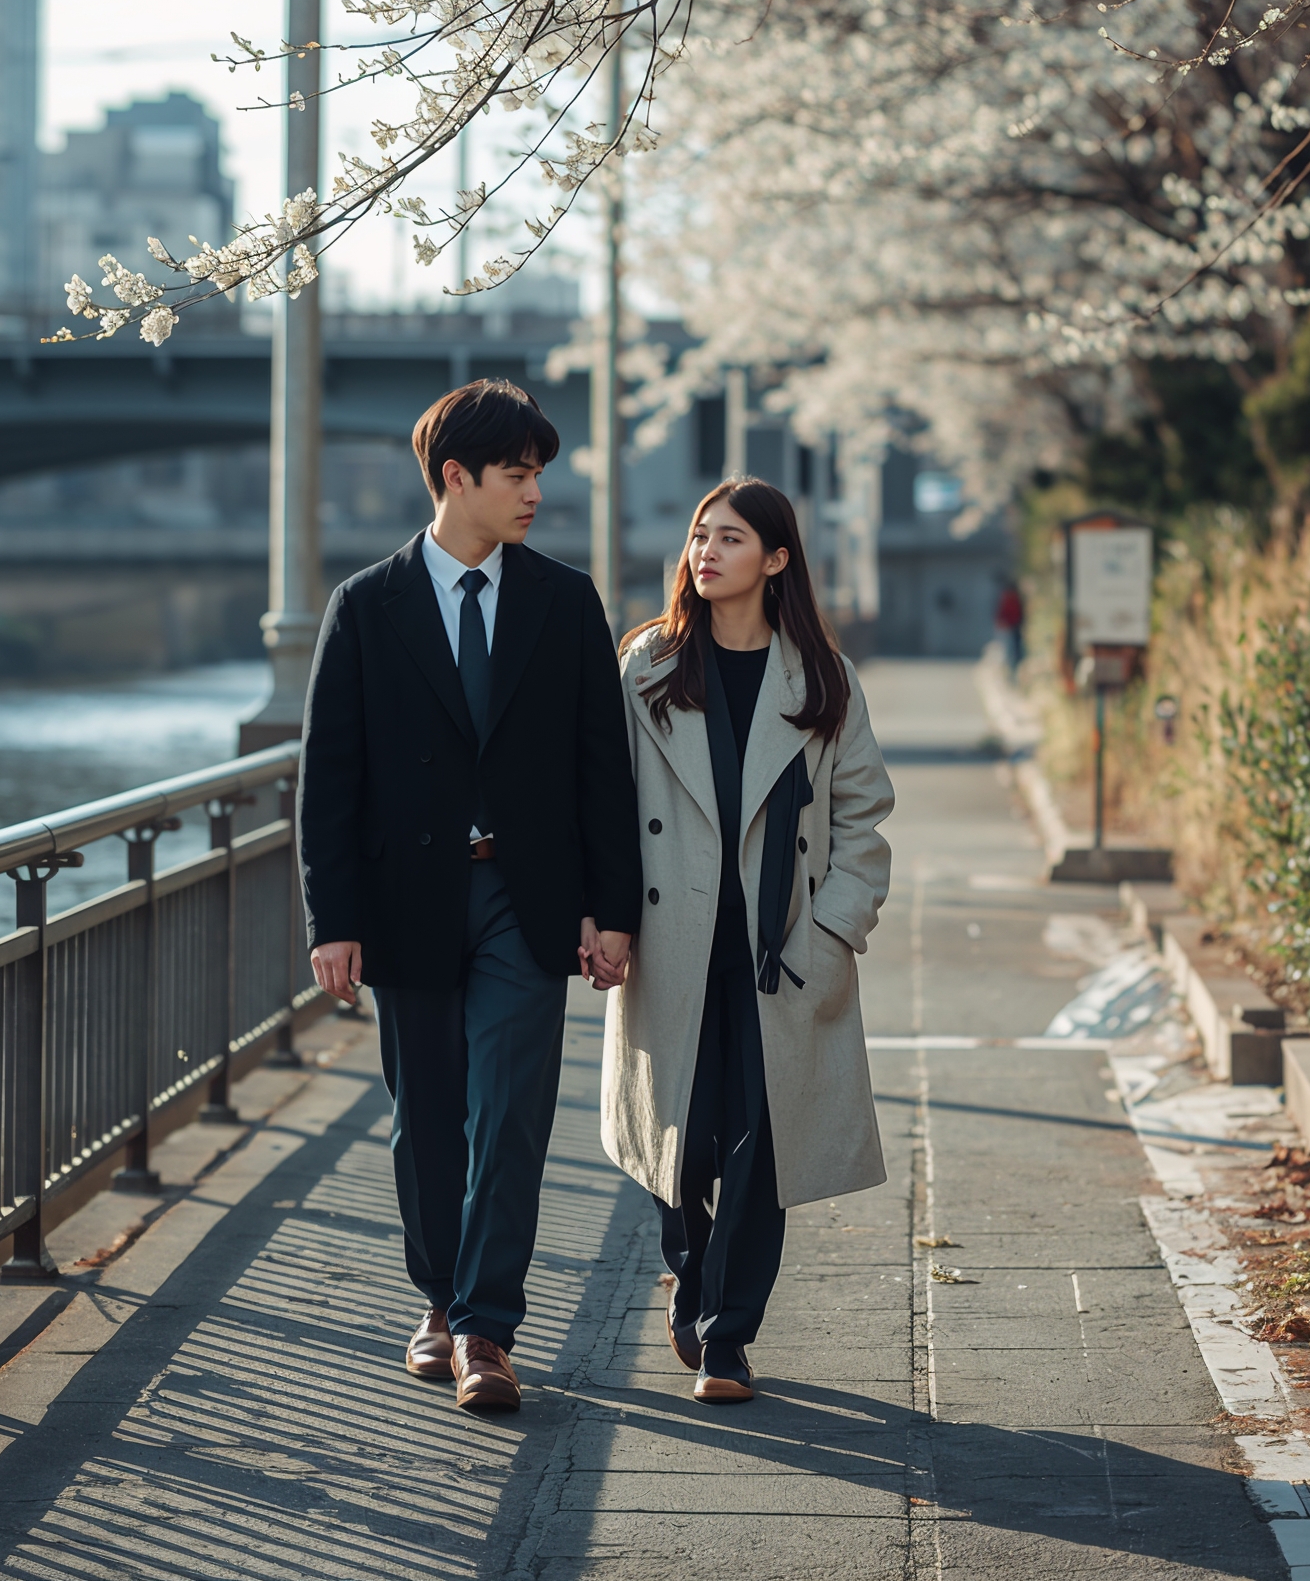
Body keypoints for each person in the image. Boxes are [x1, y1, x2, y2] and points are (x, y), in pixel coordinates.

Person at [297, 379, 641, 1417]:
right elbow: (331, 778)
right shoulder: (367, 604)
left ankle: (488, 1327)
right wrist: (334, 920)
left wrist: (612, 908)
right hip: (408, 903)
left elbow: (602, 770)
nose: (537, 492)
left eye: (540, 473)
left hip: (527, 903)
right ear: (457, 478)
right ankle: (438, 1304)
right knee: (425, 1121)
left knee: (511, 1114)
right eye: (519, 474)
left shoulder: (564, 600)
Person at [599, 478, 896, 1403]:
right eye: (698, 535)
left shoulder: (822, 679)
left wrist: (836, 928)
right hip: (670, 942)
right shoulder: (647, 666)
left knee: (762, 1149)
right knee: (676, 1143)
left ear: (775, 560)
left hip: (782, 949)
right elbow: (606, 809)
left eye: (730, 538)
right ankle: (690, 1275)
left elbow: (864, 817)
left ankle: (728, 1339)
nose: (705, 551)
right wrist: (602, 920)